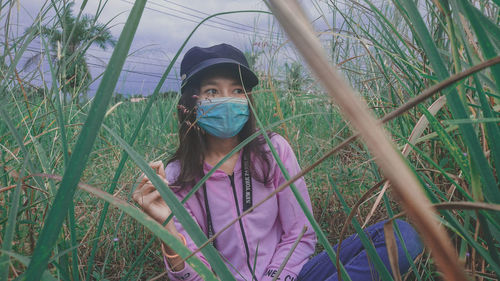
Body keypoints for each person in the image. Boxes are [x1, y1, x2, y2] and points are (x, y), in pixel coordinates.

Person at [133, 43, 423, 281]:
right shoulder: (175, 177)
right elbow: (191, 275)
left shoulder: (273, 151)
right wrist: (167, 227)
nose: (228, 100)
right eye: (212, 92)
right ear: (191, 102)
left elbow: (300, 233)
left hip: (290, 276)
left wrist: (276, 277)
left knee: (402, 236)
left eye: (237, 91)